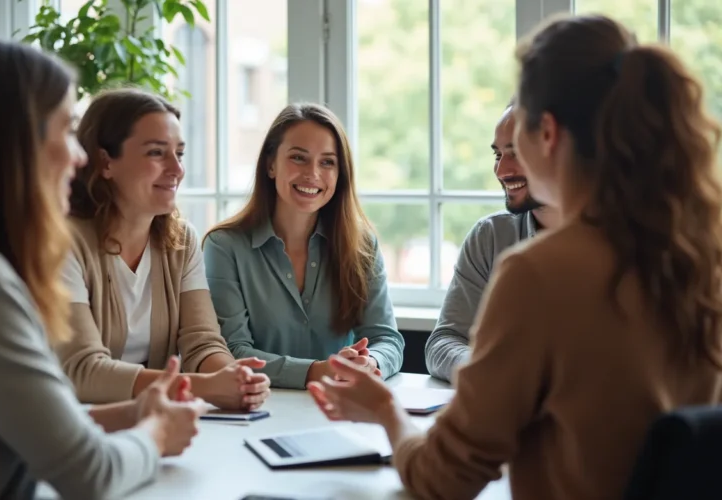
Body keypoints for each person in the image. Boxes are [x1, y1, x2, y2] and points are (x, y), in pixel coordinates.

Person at [307, 13, 722, 500]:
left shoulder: (539, 273)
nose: (505, 160)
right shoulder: (699, 256)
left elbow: (442, 479)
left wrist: (383, 409)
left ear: (546, 132)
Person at [0, 37, 205, 499]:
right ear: (15, 142)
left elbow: (31, 428)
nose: (80, 155)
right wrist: (155, 435)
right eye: (67, 129)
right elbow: (91, 474)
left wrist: (133, 415)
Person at [57, 88, 271, 409]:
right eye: (157, 153)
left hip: (150, 420)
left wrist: (235, 378)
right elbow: (81, 370)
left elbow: (202, 342)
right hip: (69, 430)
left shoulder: (181, 241)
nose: (177, 169)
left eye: (179, 154)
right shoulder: (62, 242)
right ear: (105, 162)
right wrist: (202, 387)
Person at [204, 103, 405, 390]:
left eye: (327, 162)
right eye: (298, 158)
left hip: (341, 408)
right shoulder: (224, 246)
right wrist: (315, 371)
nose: (313, 173)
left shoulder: (362, 245)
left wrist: (370, 362)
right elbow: (232, 352)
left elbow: (387, 339)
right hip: (256, 407)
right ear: (271, 164)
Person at [425, 100, 561, 382]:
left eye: (515, 153)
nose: (501, 171)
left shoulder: (617, 241)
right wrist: (488, 368)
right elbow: (443, 343)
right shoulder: (489, 237)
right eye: (498, 155)